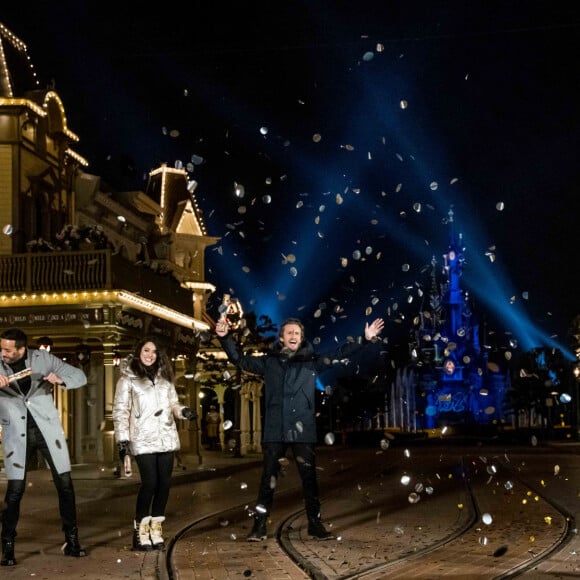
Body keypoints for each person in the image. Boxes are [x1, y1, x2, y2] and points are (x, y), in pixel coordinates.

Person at [216, 315, 384, 542]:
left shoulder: (311, 361)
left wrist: (364, 339)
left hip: (302, 428)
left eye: (297, 333)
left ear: (301, 337)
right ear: (282, 338)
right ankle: (258, 527)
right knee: (268, 479)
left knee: (309, 479)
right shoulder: (269, 361)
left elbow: (338, 355)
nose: (293, 336)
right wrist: (225, 337)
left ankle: (315, 526)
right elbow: (240, 360)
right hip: (275, 429)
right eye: (289, 333)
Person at [0, 327, 88, 567]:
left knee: (65, 485)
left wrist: (60, 379)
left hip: (47, 430)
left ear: (21, 349)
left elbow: (79, 377)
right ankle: (7, 546)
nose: (3, 353)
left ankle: (72, 541)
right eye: (2, 348)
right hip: (16, 434)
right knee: (15, 491)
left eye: (8, 349)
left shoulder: (43, 358)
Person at [112, 336, 197, 551]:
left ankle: (156, 528)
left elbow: (173, 403)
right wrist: (122, 440)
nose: (150, 355)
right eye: (146, 350)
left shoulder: (165, 380)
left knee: (164, 485)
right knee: (149, 483)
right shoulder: (127, 380)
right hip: (141, 438)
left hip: (166, 438)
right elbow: (121, 411)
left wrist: (183, 412)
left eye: (154, 351)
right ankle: (140, 531)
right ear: (139, 352)